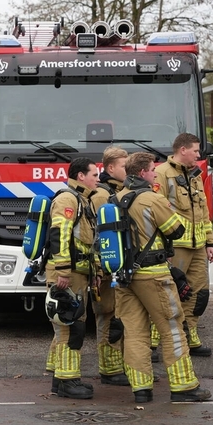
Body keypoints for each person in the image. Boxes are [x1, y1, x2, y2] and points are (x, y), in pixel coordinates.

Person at [116, 152, 211, 403]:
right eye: (152, 170)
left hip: (124, 277)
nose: (155, 174)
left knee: (135, 333)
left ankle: (141, 389)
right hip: (154, 275)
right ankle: (183, 387)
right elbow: (176, 230)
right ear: (142, 173)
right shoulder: (152, 198)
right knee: (172, 328)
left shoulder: (115, 198)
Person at [153, 132, 213, 356]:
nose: (198, 155)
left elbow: (203, 211)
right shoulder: (161, 174)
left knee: (198, 294)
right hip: (175, 247)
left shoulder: (196, 175)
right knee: (168, 293)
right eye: (196, 151)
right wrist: (163, 247)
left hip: (198, 247)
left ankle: (190, 337)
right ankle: (154, 342)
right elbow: (156, 210)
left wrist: (210, 242)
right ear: (183, 150)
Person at [47, 157, 100, 399]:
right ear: (81, 176)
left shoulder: (83, 200)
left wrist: (95, 272)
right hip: (68, 274)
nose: (98, 179)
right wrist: (63, 270)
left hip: (78, 273)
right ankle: (68, 381)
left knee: (72, 324)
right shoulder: (68, 199)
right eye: (94, 175)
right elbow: (59, 234)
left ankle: (61, 380)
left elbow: (89, 242)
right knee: (71, 327)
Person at [90, 146, 130, 386]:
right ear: (111, 168)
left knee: (119, 316)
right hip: (106, 269)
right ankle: (110, 370)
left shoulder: (120, 191)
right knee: (107, 316)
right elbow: (95, 235)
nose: (128, 169)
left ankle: (120, 366)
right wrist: (100, 267)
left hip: (120, 267)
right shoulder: (101, 196)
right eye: (124, 166)